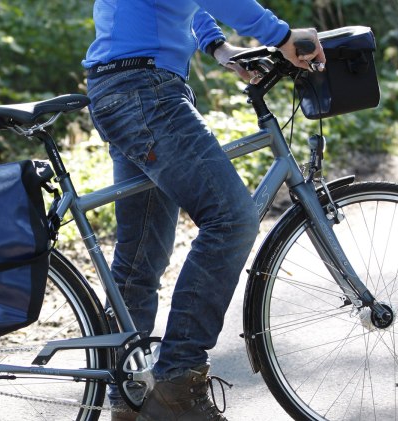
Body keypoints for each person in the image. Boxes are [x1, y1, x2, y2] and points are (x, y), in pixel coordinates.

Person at [82, 1, 326, 420]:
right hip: (146, 91)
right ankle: (178, 380)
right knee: (231, 218)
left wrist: (215, 45)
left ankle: (130, 400)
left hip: (120, 86)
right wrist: (283, 37)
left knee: (140, 258)